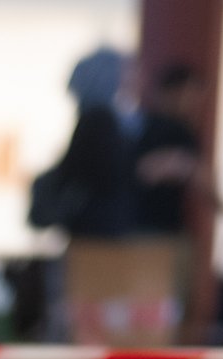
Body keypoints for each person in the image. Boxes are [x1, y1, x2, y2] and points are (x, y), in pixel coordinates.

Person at [40, 47, 135, 239]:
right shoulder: (100, 119)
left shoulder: (95, 116)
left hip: (93, 228)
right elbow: (103, 174)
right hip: (99, 233)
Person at [133, 63, 204, 238]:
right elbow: (202, 179)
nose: (196, 103)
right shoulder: (179, 130)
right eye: (192, 94)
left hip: (133, 226)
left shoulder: (138, 123)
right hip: (159, 229)